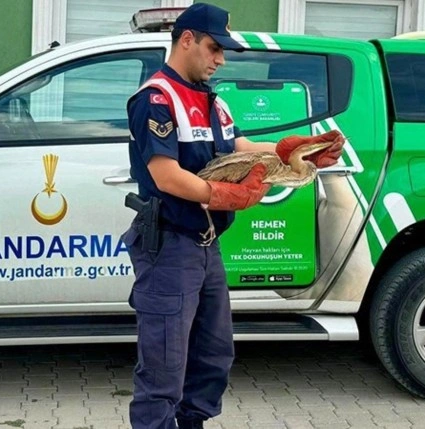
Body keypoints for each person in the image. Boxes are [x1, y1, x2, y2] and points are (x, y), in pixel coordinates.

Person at [119, 3, 344, 428]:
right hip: (169, 247)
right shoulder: (156, 99)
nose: (220, 59)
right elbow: (166, 176)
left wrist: (298, 151)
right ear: (187, 40)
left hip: (206, 249)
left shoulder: (212, 101)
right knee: (164, 371)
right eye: (214, 48)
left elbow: (240, 148)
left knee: (212, 357)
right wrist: (223, 194)